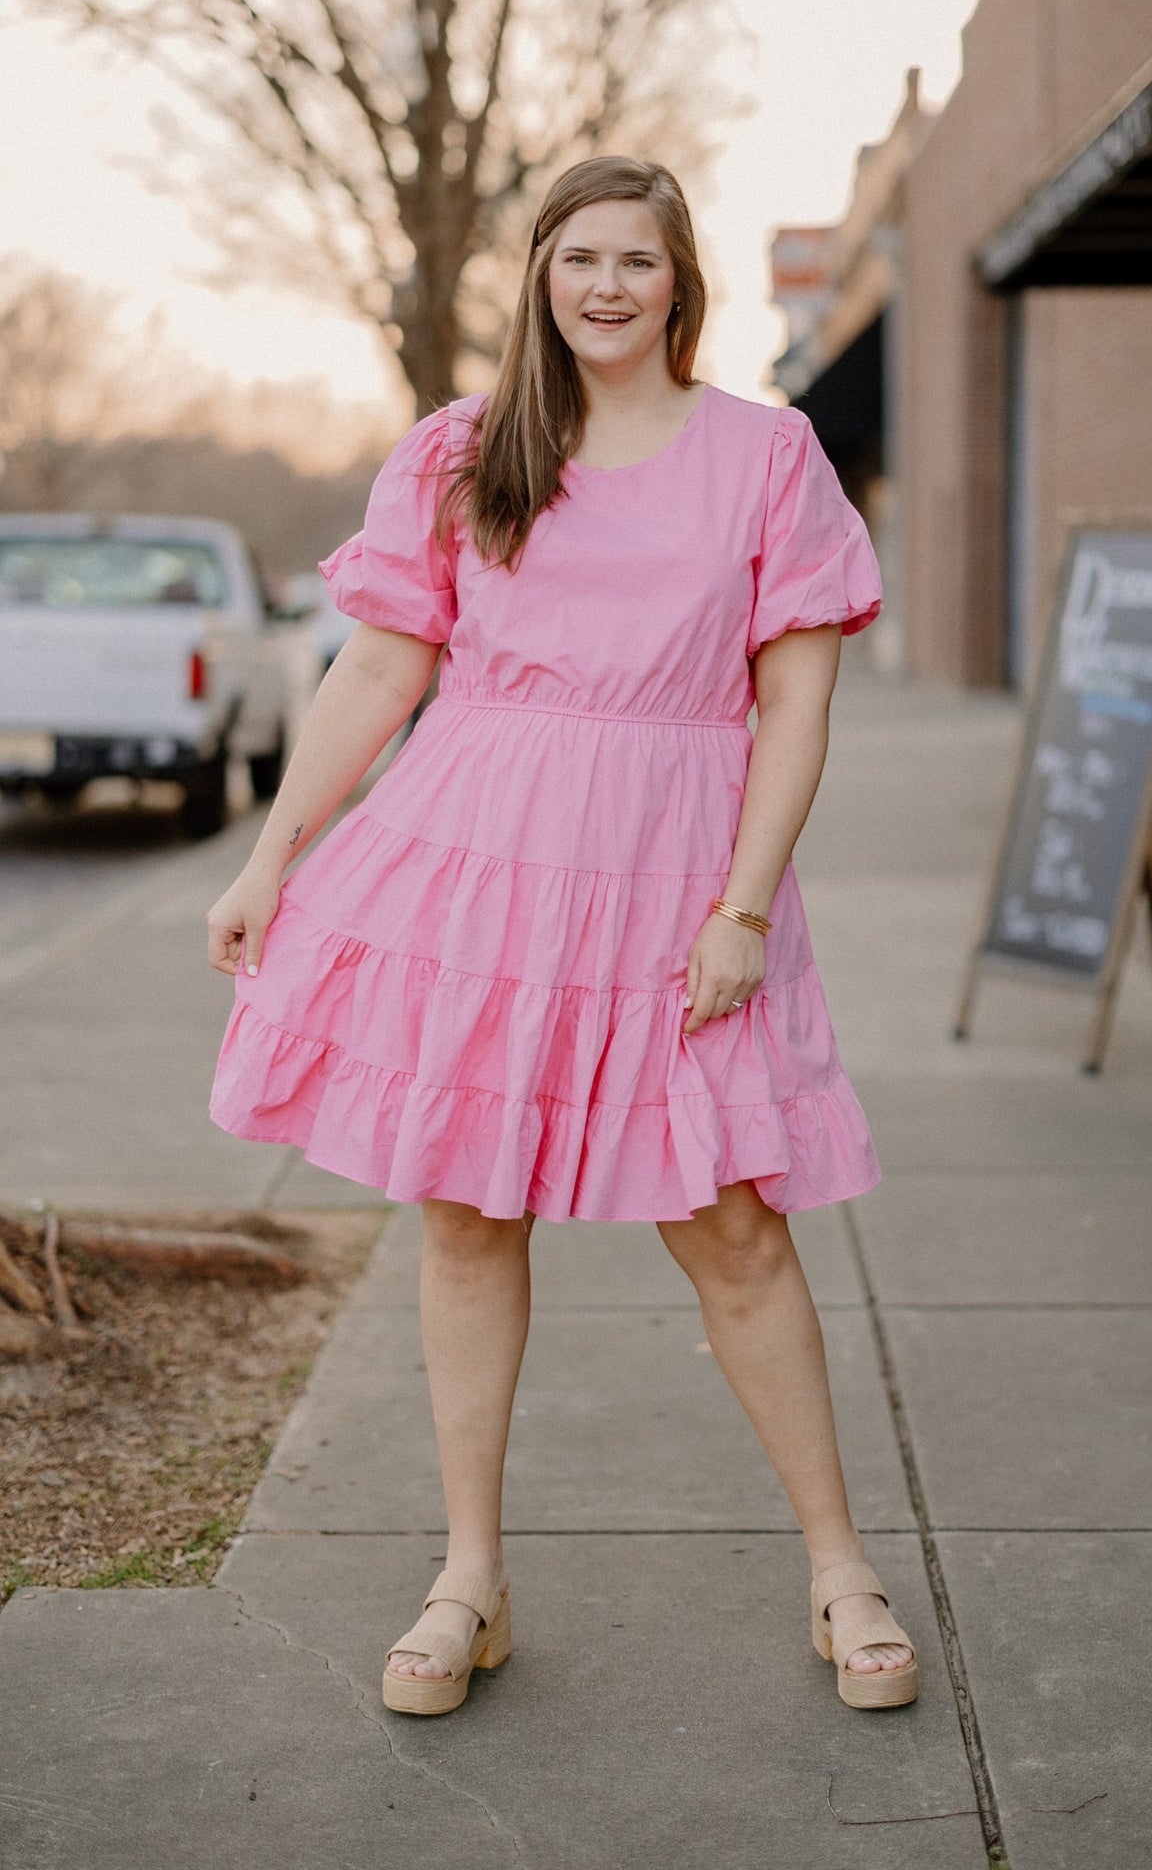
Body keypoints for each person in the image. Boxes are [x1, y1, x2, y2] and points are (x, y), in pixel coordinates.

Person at [205, 155, 916, 1719]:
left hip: (678, 877)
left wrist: (742, 906)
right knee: (463, 1214)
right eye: (576, 257)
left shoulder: (766, 454)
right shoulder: (467, 451)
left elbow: (795, 703)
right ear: (539, 275)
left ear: (680, 282)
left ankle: (838, 1563)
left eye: (634, 260)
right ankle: (471, 1576)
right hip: (475, 873)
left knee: (734, 1226)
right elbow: (377, 675)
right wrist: (271, 857)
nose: (604, 284)